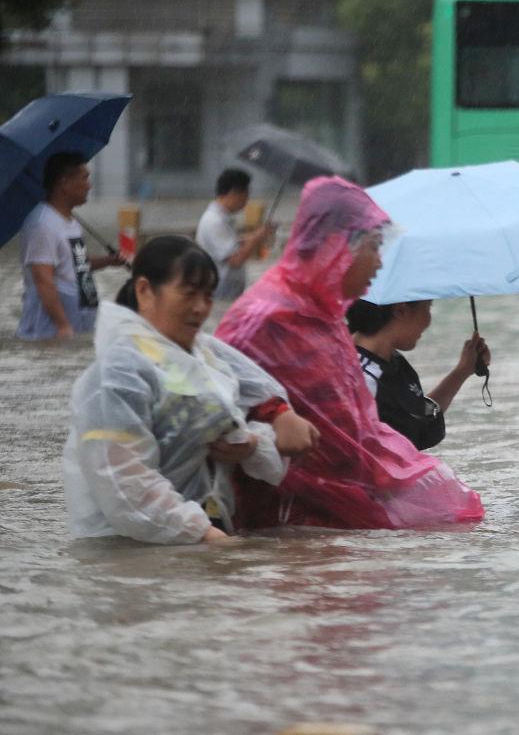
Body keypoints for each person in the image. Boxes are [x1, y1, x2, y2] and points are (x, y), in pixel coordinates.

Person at [215, 176, 485, 530]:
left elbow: (358, 427)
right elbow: (215, 397)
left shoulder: (328, 321)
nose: (378, 264)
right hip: (282, 514)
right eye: (373, 248)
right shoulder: (268, 316)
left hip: (334, 506)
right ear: (337, 247)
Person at [62, 236, 320, 544]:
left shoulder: (204, 355)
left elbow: (256, 393)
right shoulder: (118, 373)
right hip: (137, 547)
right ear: (145, 291)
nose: (201, 308)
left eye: (208, 296)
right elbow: (125, 483)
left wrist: (253, 443)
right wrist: (207, 536)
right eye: (189, 293)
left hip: (204, 532)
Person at [346, 298, 490, 450]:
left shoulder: (391, 360)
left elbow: (415, 426)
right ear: (400, 310)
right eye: (428, 306)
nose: (428, 321)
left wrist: (463, 371)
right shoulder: (359, 379)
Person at [17, 151, 125, 339]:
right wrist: (63, 325)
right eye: (84, 178)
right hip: (49, 330)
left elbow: (74, 265)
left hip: (80, 320)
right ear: (64, 183)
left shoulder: (70, 220)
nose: (89, 185)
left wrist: (108, 261)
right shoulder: (42, 224)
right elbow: (43, 280)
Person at [195, 167, 273, 300]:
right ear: (234, 194)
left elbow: (232, 240)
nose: (246, 202)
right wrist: (257, 237)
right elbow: (236, 260)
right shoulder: (215, 221)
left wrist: (255, 235)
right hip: (220, 296)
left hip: (227, 293)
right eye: (245, 197)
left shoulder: (222, 218)